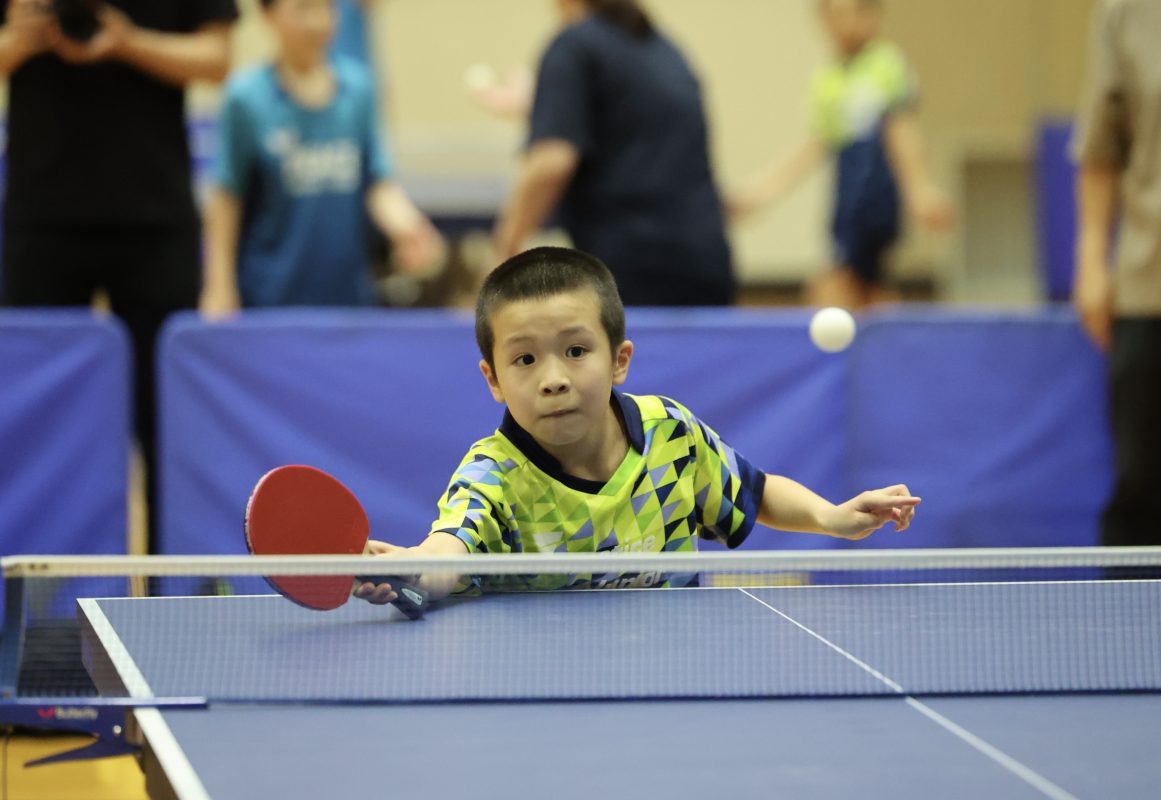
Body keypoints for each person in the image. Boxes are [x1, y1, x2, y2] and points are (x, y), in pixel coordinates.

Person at [356, 246, 919, 602]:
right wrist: (413, 566)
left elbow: (757, 490)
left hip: (677, 677)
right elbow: (450, 549)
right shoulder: (492, 475)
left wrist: (832, 517)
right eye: (525, 359)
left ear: (619, 359)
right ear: (493, 379)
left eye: (576, 350)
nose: (553, 378)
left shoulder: (671, 436)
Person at [0, 0, 239, 553]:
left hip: (157, 219)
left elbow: (217, 58)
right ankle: (36, 598)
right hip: (42, 220)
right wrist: (22, 37)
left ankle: (168, 594)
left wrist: (128, 41)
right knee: (38, 425)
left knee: (166, 426)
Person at [200, 0, 440, 313]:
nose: (317, 22)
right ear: (268, 15)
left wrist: (407, 227)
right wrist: (219, 287)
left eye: (326, 8)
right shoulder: (245, 98)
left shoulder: (359, 89)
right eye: (302, 9)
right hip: (269, 298)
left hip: (348, 297)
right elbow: (227, 198)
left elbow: (376, 182)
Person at [492, 0, 736, 307]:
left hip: (629, 267)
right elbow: (628, 126)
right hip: (706, 263)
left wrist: (503, 253)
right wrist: (541, 105)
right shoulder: (668, 52)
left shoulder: (572, 45)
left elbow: (552, 162)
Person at [1071, 0, 1161, 555]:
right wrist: (1092, 260)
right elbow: (1101, 150)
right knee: (1140, 492)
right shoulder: (1125, 13)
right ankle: (1124, 637)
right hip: (1153, 288)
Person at [727, 0, 951, 310]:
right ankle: (888, 354)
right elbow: (816, 145)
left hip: (875, 199)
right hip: (845, 201)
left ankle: (846, 357)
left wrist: (919, 189)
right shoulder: (829, 77)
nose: (841, 24)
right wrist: (762, 191)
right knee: (870, 294)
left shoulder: (887, 65)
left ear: (873, 16)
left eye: (850, 13)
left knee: (831, 287)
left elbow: (901, 131)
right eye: (832, 15)